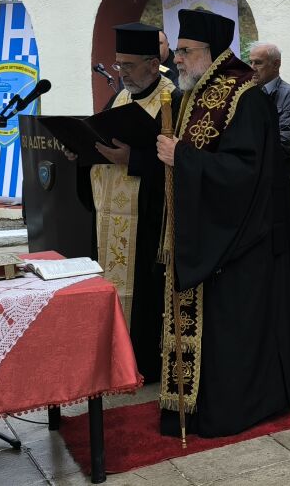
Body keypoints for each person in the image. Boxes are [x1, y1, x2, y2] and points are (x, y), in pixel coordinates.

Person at [153, 8, 290, 438]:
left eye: (184, 51)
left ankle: (235, 405)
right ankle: (194, 402)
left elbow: (245, 173)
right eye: (178, 50)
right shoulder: (195, 92)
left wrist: (182, 157)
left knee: (236, 329)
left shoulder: (245, 96)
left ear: (210, 51)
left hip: (241, 241)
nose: (177, 59)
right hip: (208, 233)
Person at [73, 22, 178, 382]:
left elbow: (180, 162)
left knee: (145, 294)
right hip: (111, 215)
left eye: (129, 65)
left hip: (148, 219)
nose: (123, 73)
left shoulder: (173, 99)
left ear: (153, 64)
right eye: (119, 64)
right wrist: (82, 150)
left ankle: (144, 362)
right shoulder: (120, 97)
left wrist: (133, 159)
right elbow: (100, 137)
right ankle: (115, 356)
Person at [249, 41, 290, 315]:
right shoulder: (249, 95)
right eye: (251, 62)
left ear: (276, 65)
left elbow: (286, 141)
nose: (253, 68)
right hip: (261, 179)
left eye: (258, 63)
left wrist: (250, 152)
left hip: (286, 178)